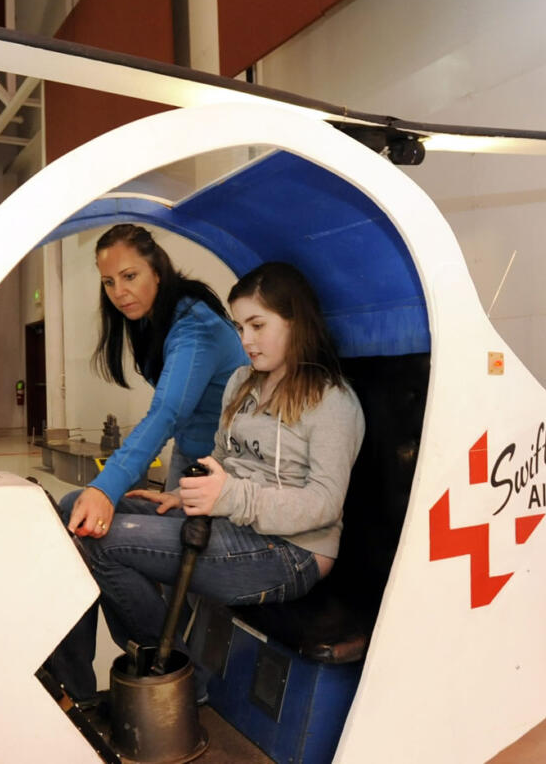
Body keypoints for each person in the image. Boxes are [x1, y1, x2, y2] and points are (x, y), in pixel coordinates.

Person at [66, 261, 364, 697]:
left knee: (98, 540)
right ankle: (90, 681)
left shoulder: (332, 400)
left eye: (258, 325)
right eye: (240, 326)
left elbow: (324, 503)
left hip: (291, 550)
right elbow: (223, 458)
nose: (246, 341)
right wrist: (182, 495)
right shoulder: (243, 382)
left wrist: (229, 497)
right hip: (230, 520)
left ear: (296, 321)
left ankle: (181, 680)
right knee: (74, 507)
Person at [49, 224, 248, 697]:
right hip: (189, 463)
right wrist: (112, 492)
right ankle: (72, 683)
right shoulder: (154, 321)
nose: (120, 292)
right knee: (71, 515)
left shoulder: (194, 326)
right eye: (109, 282)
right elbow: (173, 419)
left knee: (100, 535)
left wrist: (108, 488)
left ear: (156, 269)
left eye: (130, 275)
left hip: (225, 475)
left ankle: (177, 672)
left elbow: (168, 412)